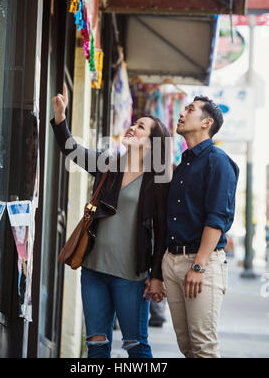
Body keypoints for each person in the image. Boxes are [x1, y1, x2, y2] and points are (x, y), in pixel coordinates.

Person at [51, 84, 170, 358]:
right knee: (96, 346)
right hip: (93, 270)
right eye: (134, 123)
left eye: (141, 127)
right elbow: (72, 151)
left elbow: (162, 234)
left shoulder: (159, 182)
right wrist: (60, 118)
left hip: (131, 277)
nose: (132, 128)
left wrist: (157, 277)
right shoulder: (110, 165)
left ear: (151, 143)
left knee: (136, 347)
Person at [162, 96, 239, 358]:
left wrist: (199, 265)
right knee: (188, 347)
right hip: (172, 262)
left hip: (200, 262)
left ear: (207, 122)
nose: (182, 114)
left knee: (203, 347)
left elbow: (217, 218)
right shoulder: (184, 164)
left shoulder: (218, 161)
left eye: (190, 110)